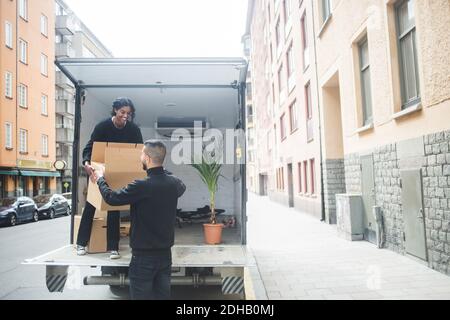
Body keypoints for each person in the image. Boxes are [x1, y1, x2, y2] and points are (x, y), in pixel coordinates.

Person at [93, 140, 186, 300]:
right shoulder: (174, 184)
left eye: (142, 153)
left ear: (148, 159)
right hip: (165, 256)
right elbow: (178, 182)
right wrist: (160, 168)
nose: (140, 157)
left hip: (143, 258)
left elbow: (111, 198)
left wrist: (100, 178)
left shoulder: (141, 186)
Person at [76, 97, 143, 259]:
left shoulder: (133, 130)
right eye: (122, 112)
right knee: (91, 206)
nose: (125, 115)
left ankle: (113, 247)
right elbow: (89, 147)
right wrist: (86, 163)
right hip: (98, 169)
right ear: (115, 110)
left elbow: (140, 150)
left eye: (129, 113)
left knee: (114, 208)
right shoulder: (102, 126)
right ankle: (81, 244)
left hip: (118, 171)